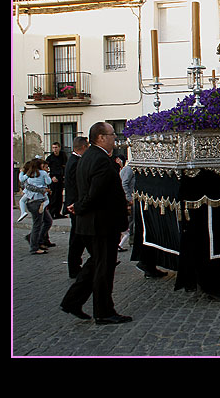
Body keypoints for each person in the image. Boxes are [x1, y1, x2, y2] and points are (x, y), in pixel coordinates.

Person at [60, 122, 132, 324]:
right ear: (100, 137)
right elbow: (95, 194)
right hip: (100, 223)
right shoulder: (100, 160)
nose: (114, 139)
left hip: (94, 222)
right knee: (103, 268)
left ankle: (72, 301)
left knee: (95, 264)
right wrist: (79, 206)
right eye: (111, 135)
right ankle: (103, 311)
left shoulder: (90, 156)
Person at [64, 136, 88, 279]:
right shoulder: (74, 163)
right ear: (83, 147)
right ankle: (74, 267)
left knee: (79, 235)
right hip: (75, 205)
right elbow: (75, 186)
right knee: (77, 237)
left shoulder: (74, 161)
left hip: (75, 204)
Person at [19, 158, 52, 255]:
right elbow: (27, 186)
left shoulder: (31, 174)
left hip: (38, 200)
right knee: (37, 224)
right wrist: (43, 190)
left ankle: (38, 240)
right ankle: (34, 246)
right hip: (35, 201)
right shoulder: (34, 174)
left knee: (47, 221)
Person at [46, 142, 68, 219]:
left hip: (61, 177)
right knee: (53, 196)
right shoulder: (50, 158)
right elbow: (46, 169)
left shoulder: (63, 156)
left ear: (59, 148)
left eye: (56, 147)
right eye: (53, 148)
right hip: (53, 178)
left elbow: (65, 165)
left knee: (59, 196)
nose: (55, 149)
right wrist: (51, 177)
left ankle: (58, 213)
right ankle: (51, 213)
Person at [119, 157, 134, 251]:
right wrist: (129, 198)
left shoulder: (127, 169)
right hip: (129, 198)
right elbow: (124, 183)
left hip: (129, 197)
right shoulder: (129, 169)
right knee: (131, 220)